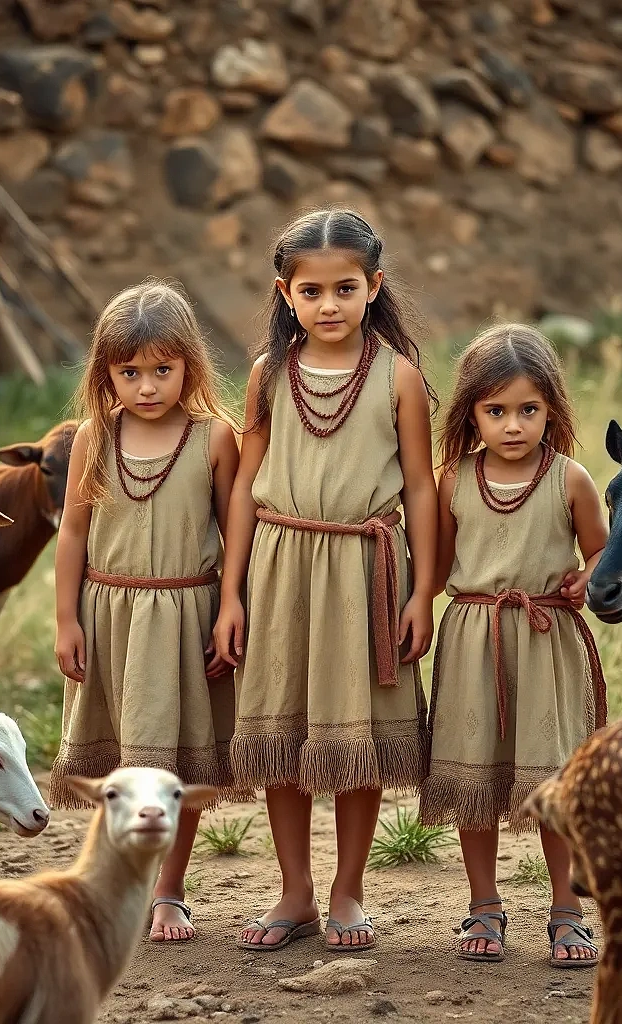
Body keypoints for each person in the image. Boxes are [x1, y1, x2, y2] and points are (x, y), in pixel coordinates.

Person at [214, 209, 438, 951]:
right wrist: (232, 593)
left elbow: (421, 486)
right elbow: (246, 482)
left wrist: (422, 590)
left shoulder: (398, 377)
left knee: (355, 737)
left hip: (366, 571)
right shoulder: (268, 375)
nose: (329, 305)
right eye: (311, 292)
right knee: (281, 734)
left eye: (346, 288)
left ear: (374, 287)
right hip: (280, 565)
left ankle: (347, 891)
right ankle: (294, 892)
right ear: (285, 294)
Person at [51, 279, 241, 943]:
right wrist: (66, 619)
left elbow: (234, 529)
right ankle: (110, 885)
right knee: (121, 767)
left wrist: (230, 605)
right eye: (129, 372)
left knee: (173, 767)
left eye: (163, 369)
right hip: (110, 619)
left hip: (187, 616)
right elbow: (72, 532)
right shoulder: (91, 438)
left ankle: (169, 890)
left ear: (190, 363)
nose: (147, 386)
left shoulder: (214, 438)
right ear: (106, 372)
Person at [419, 323, 608, 967]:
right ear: (471, 413)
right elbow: (439, 569)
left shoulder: (570, 479)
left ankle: (566, 912)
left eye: (528, 410)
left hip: (545, 643)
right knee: (476, 780)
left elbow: (602, 555)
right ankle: (484, 908)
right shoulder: (454, 483)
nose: (512, 426)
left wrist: (586, 580)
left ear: (550, 409)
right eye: (495, 411)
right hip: (473, 641)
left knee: (550, 782)